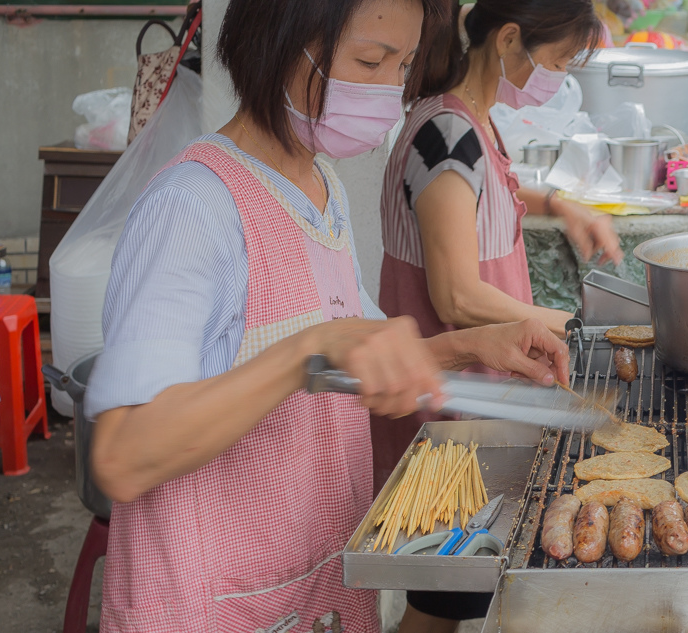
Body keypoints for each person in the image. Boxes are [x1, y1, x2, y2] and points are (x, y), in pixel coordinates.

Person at [84, 0, 571, 631]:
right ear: (279, 46)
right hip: (209, 605)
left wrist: (479, 345)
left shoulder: (323, 191)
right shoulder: (192, 206)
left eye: (401, 66)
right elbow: (123, 456)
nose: (389, 91)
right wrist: (303, 351)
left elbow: (353, 358)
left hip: (314, 590)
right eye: (369, 61)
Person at [377, 1, 619, 630]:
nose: (556, 77)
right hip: (451, 410)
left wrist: (560, 204)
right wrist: (568, 323)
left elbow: (481, 193)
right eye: (558, 61)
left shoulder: (471, 123)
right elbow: (456, 293)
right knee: (438, 600)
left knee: (457, 593)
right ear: (510, 39)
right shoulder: (445, 130)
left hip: (480, 405)